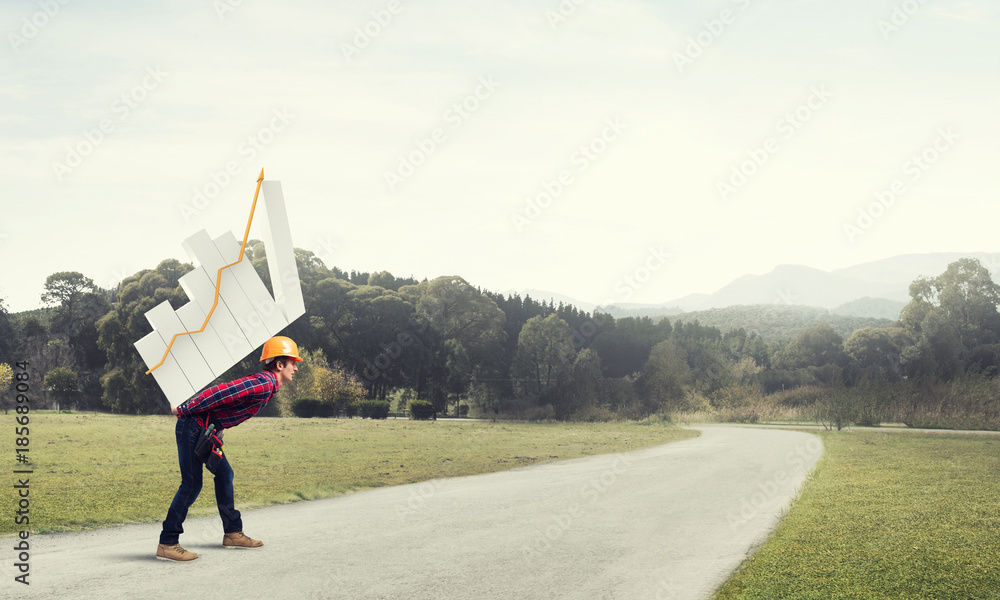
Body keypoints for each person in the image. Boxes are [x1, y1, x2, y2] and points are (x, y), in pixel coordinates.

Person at [155, 335, 302, 562]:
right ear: (280, 364)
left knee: (225, 474)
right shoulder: (264, 383)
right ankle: (168, 542)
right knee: (191, 484)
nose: (296, 368)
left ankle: (232, 533)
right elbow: (220, 393)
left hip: (205, 429)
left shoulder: (269, 386)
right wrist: (184, 409)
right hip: (192, 426)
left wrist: (218, 429)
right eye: (294, 363)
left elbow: (228, 406)